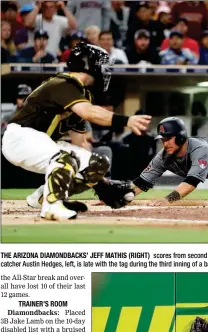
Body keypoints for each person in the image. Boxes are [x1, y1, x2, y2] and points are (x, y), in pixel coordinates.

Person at [2, 42, 151, 221]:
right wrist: (127, 120)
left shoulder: (82, 94)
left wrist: (101, 184)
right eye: (101, 64)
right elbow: (88, 112)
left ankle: (42, 197)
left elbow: (79, 143)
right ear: (89, 64)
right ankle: (52, 206)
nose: (104, 70)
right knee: (65, 158)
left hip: (42, 142)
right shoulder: (63, 83)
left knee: (97, 164)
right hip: (20, 137)